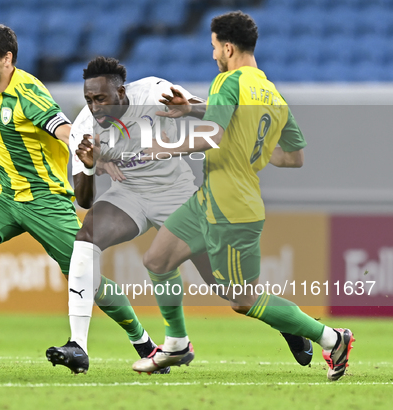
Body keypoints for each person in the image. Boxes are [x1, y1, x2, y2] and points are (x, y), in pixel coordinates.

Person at [45, 56, 310, 375]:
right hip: (128, 195)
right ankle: (78, 345)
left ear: (122, 92)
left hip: (175, 193)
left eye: (101, 98)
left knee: (231, 290)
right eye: (89, 99)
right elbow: (85, 200)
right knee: (86, 238)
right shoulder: (84, 129)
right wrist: (88, 163)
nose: (95, 107)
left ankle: (290, 326)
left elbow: (211, 113)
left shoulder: (154, 91)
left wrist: (195, 111)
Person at [131, 11, 354, 381]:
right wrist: (198, 114)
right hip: (209, 197)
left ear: (228, 47)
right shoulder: (271, 93)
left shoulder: (226, 81)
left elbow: (213, 135)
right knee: (157, 260)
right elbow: (294, 157)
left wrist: (163, 147)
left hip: (232, 207)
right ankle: (175, 343)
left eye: (215, 47)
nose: (213, 54)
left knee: (243, 300)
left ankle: (332, 338)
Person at [0, 25, 159, 371]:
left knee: (87, 278)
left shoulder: (28, 92)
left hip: (45, 201)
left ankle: (145, 344)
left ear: (8, 59)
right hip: (2, 196)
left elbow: (62, 127)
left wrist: (89, 149)